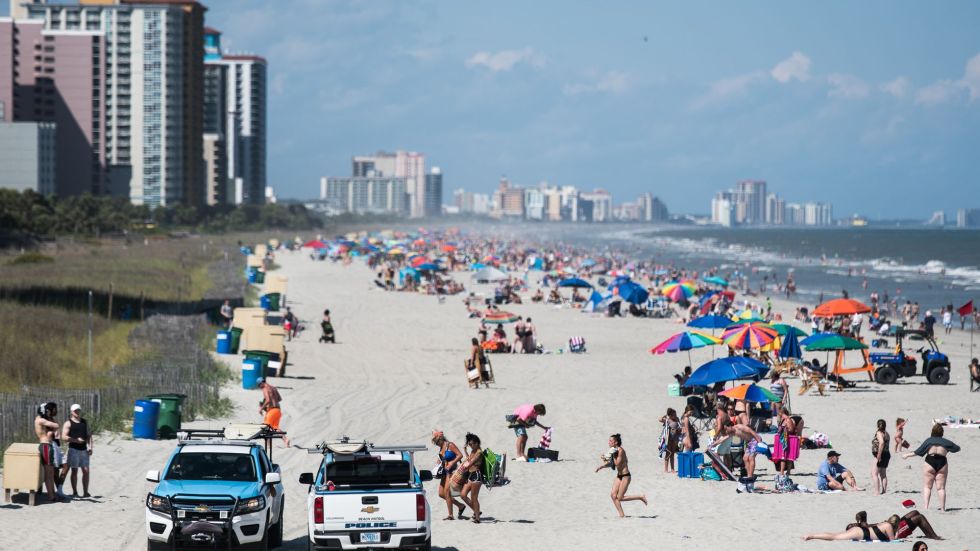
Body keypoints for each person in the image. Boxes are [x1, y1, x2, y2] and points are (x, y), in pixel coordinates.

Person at [902, 423, 960, 511]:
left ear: (932, 432)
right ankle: (943, 508)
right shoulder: (946, 442)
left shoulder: (929, 441)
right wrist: (947, 448)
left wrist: (907, 455)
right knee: (941, 488)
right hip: (942, 462)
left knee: (927, 487)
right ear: (942, 433)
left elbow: (918, 452)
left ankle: (926, 507)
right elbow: (957, 449)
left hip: (930, 462)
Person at [594, 434, 647, 518]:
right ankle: (622, 515)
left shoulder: (620, 451)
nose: (609, 442)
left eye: (611, 441)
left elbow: (617, 464)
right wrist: (602, 466)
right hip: (619, 476)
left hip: (626, 476)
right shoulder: (613, 450)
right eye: (609, 440)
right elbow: (612, 464)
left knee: (620, 497)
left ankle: (640, 497)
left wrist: (611, 455)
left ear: (616, 442)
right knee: (613, 495)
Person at [35, 402, 68, 502]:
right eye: (47, 410)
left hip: (47, 446)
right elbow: (55, 425)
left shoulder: (40, 419)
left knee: (50, 472)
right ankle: (51, 496)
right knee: (49, 473)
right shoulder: (40, 420)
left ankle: (52, 494)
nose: (49, 412)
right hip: (45, 446)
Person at [431, 431, 466, 520]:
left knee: (447, 492)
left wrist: (452, 463)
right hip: (444, 472)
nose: (436, 444)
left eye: (436, 442)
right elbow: (443, 458)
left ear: (441, 440)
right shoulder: (441, 447)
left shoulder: (450, 445)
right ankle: (460, 505)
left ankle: (450, 515)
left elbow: (460, 455)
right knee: (441, 494)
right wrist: (439, 461)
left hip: (452, 471)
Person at [62, 403, 92, 497]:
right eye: (75, 411)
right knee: (74, 471)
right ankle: (75, 491)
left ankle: (85, 492)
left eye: (78, 410)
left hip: (84, 450)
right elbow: (64, 436)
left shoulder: (84, 422)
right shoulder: (68, 423)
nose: (77, 412)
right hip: (73, 449)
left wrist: (90, 446)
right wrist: (75, 440)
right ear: (71, 412)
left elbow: (89, 435)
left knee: (86, 470)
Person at [803, 516, 898, 542]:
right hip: (861, 534)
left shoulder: (883, 523)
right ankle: (811, 536)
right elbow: (892, 540)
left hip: (860, 531)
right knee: (834, 537)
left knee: (834, 535)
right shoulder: (888, 526)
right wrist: (897, 531)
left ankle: (812, 535)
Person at [458, 433, 484, 524]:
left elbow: (470, 463)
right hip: (470, 475)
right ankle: (477, 511)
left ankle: (477, 518)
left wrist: (463, 468)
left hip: (476, 475)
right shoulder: (473, 451)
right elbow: (469, 460)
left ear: (477, 443)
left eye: (472, 444)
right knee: (463, 495)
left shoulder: (479, 452)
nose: (470, 445)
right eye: (469, 444)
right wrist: (465, 451)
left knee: (474, 498)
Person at [257, 379, 290, 447]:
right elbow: (279, 399)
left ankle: (268, 446)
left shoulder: (265, 388)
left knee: (266, 428)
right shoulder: (273, 388)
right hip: (278, 410)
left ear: (261, 383)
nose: (260, 387)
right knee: (275, 427)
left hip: (271, 411)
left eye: (259, 386)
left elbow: (268, 400)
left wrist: (261, 408)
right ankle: (286, 440)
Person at [871, 418, 890, 495]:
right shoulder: (887, 433)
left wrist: (878, 455)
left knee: (874, 474)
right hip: (886, 454)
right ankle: (884, 491)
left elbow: (881, 443)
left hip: (880, 455)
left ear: (878, 425)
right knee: (883, 475)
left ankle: (877, 492)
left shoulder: (879, 433)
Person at [658, 408, 680, 473]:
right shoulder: (668, 420)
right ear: (670, 415)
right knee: (668, 453)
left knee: (672, 453)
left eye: (675, 414)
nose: (675, 415)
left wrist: (678, 430)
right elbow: (660, 419)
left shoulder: (677, 419)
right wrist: (665, 416)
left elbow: (679, 426)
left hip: (675, 438)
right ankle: (666, 469)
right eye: (674, 414)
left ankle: (672, 469)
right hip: (668, 438)